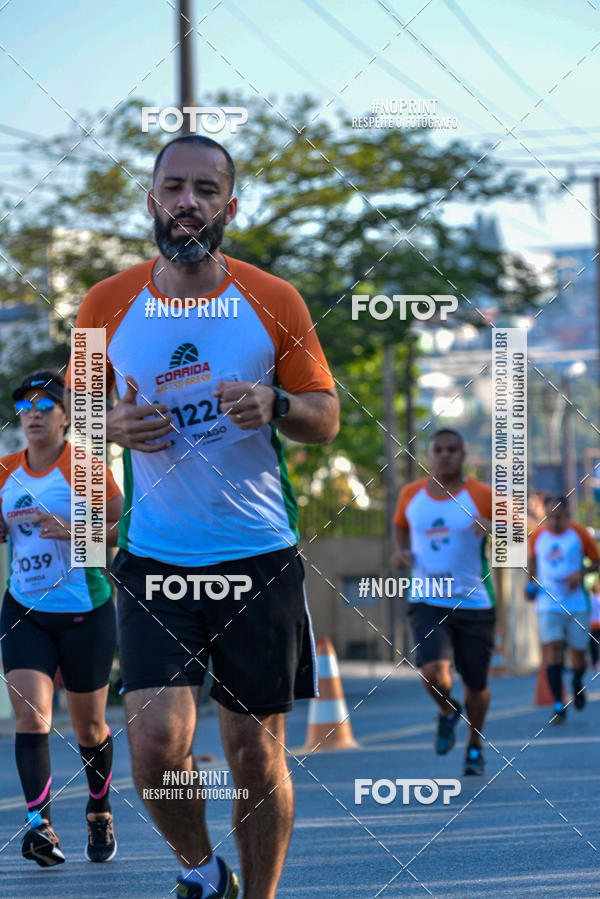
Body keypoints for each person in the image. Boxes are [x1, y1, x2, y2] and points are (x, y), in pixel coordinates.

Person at [66, 134, 339, 899]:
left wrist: (276, 403)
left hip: (256, 554)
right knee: (155, 747)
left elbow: (325, 415)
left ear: (229, 205)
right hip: (155, 556)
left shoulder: (273, 298)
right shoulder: (106, 302)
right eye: (175, 186)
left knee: (254, 751)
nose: (189, 201)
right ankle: (199, 868)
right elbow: (80, 408)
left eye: (206, 189)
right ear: (152, 200)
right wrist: (109, 427)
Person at [0, 370, 123, 866]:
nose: (33, 414)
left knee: (90, 728)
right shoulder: (4, 469)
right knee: (30, 717)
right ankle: (39, 827)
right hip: (23, 609)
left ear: (66, 416)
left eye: (45, 405)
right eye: (26, 406)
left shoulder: (87, 468)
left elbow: (122, 531)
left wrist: (72, 528)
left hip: (84, 611)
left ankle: (98, 810)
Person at [391, 429, 495, 776]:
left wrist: (493, 524)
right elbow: (401, 525)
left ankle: (475, 745)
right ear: (430, 455)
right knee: (432, 671)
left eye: (453, 449)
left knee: (476, 686)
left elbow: (524, 526)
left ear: (463, 454)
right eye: (439, 450)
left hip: (475, 602)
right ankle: (449, 711)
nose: (446, 455)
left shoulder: (481, 494)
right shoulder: (411, 494)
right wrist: (402, 551)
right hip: (427, 598)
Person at [527, 496, 599, 722]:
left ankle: (577, 682)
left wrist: (582, 574)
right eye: (550, 516)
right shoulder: (538, 536)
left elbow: (596, 561)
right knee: (554, 650)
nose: (554, 521)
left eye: (559, 516)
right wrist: (529, 584)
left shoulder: (579, 534)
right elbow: (532, 562)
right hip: (548, 604)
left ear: (568, 515)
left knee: (578, 656)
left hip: (576, 604)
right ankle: (559, 703)